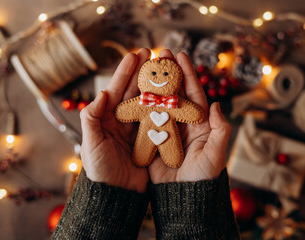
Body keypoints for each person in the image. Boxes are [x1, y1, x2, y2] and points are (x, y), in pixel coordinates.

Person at [52, 49, 240, 240]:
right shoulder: (141, 104)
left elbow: (195, 114)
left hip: (169, 140)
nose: (160, 77)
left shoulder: (175, 104)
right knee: (142, 153)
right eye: (155, 74)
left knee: (172, 155)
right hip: (145, 138)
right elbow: (123, 112)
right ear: (145, 78)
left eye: (166, 74)